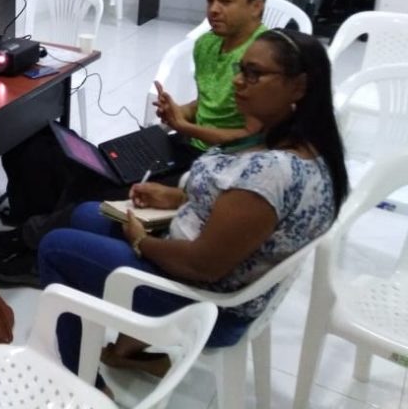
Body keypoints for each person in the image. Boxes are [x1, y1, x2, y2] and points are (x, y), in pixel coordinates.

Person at [37, 29, 348, 385]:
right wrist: (178, 198)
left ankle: (85, 386)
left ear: (298, 86)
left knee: (55, 248)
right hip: (214, 276)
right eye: (241, 69)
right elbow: (242, 214)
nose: (238, 81)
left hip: (202, 301)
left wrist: (141, 241)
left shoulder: (272, 173)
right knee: (85, 214)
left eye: (254, 74)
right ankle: (126, 348)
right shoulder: (304, 146)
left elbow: (202, 264)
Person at [0, 0, 269, 286]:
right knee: (89, 163)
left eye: (226, 1)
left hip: (217, 162)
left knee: (106, 191)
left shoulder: (262, 60)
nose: (213, 9)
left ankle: (34, 248)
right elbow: (206, 101)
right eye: (210, 0)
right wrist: (180, 111)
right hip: (184, 143)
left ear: (256, 6)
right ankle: (38, 232)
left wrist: (186, 127)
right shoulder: (208, 44)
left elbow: (251, 136)